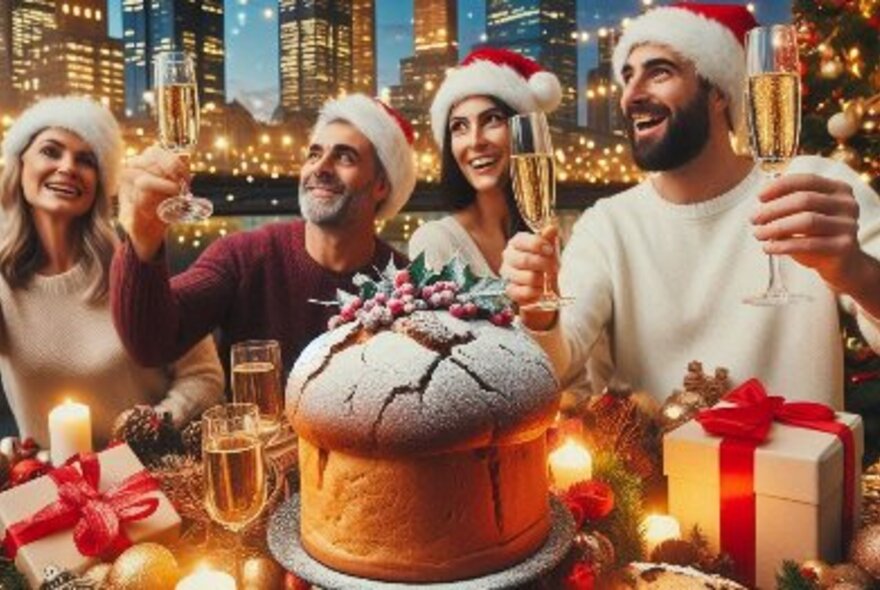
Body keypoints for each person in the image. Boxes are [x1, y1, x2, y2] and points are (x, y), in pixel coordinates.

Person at [500, 3, 880, 409]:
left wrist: (855, 271)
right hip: (659, 471)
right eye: (627, 77)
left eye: (658, 72)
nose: (631, 96)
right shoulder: (608, 225)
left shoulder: (815, 189)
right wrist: (538, 315)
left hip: (798, 471)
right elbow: (561, 363)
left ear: (718, 91)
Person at [110, 94, 417, 378]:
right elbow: (151, 344)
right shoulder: (243, 256)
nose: (320, 167)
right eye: (314, 154)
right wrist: (143, 239)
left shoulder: (407, 287)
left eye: (345, 157)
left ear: (381, 186)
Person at [0, 96, 224, 447]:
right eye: (51, 151)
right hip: (50, 489)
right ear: (19, 164)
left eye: (86, 160)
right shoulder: (4, 283)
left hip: (153, 475)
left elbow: (204, 377)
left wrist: (142, 437)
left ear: (100, 183)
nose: (67, 167)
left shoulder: (139, 263)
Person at [409, 48, 561, 277]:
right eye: (459, 127)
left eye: (491, 120)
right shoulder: (435, 242)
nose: (475, 142)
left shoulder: (548, 237)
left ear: (524, 134)